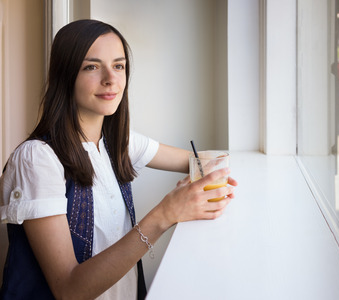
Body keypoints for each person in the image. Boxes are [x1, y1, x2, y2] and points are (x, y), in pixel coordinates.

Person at [0, 19, 237, 300]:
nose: (110, 79)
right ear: (66, 75)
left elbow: (200, 160)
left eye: (119, 66)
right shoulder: (36, 159)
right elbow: (68, 290)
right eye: (91, 66)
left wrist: (205, 182)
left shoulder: (117, 143)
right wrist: (165, 214)